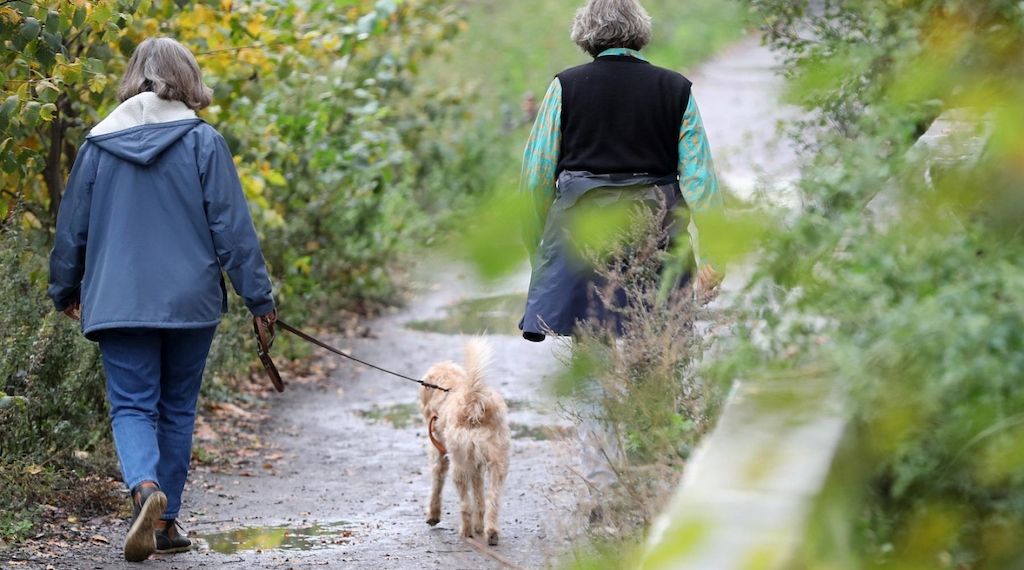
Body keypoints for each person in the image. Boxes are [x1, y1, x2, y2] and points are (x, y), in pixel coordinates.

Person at [47, 37, 276, 562]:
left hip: (118, 300)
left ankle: (145, 490)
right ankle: (166, 522)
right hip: (189, 301)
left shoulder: (96, 145)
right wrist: (259, 300)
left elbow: (71, 231)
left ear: (133, 77)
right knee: (176, 407)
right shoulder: (203, 142)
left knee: (131, 404)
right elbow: (233, 230)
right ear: (189, 79)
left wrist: (66, 288)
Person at [516, 0, 723, 501]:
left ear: (586, 35)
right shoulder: (677, 90)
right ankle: (655, 481)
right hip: (657, 234)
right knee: (660, 357)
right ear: (639, 34)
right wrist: (714, 256)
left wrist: (540, 254)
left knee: (594, 363)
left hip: (581, 237)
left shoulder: (564, 86)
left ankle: (603, 491)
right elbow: (699, 181)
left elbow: (536, 177)